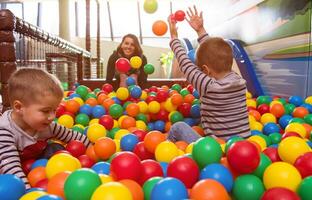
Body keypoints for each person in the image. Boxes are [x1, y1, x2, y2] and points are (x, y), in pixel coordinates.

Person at [167, 6, 250, 143]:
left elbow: (184, 62)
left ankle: (169, 149)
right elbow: (215, 52)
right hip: (243, 145)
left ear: (205, 70)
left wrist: (174, 37)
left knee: (178, 127)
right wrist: (200, 30)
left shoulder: (208, 85)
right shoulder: (238, 79)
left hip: (216, 149)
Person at [0, 68, 91, 189]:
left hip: (36, 165)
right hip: (12, 167)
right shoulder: (5, 131)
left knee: (56, 148)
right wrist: (28, 191)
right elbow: (10, 166)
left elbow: (70, 135)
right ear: (19, 107)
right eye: (46, 111)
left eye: (55, 110)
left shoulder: (46, 125)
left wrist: (93, 149)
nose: (52, 117)